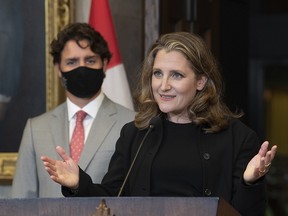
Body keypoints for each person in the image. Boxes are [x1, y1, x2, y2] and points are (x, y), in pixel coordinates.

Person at [41, 32, 277, 215]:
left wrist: (250, 181)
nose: (163, 86)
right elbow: (112, 199)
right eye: (157, 74)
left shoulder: (237, 137)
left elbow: (247, 213)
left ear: (201, 81)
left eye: (176, 75)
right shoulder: (136, 133)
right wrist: (79, 184)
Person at [11, 23, 135, 198]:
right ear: (58, 69)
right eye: (72, 62)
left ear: (105, 64)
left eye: (90, 60)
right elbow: (22, 200)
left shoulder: (133, 123)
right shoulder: (36, 128)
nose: (81, 68)